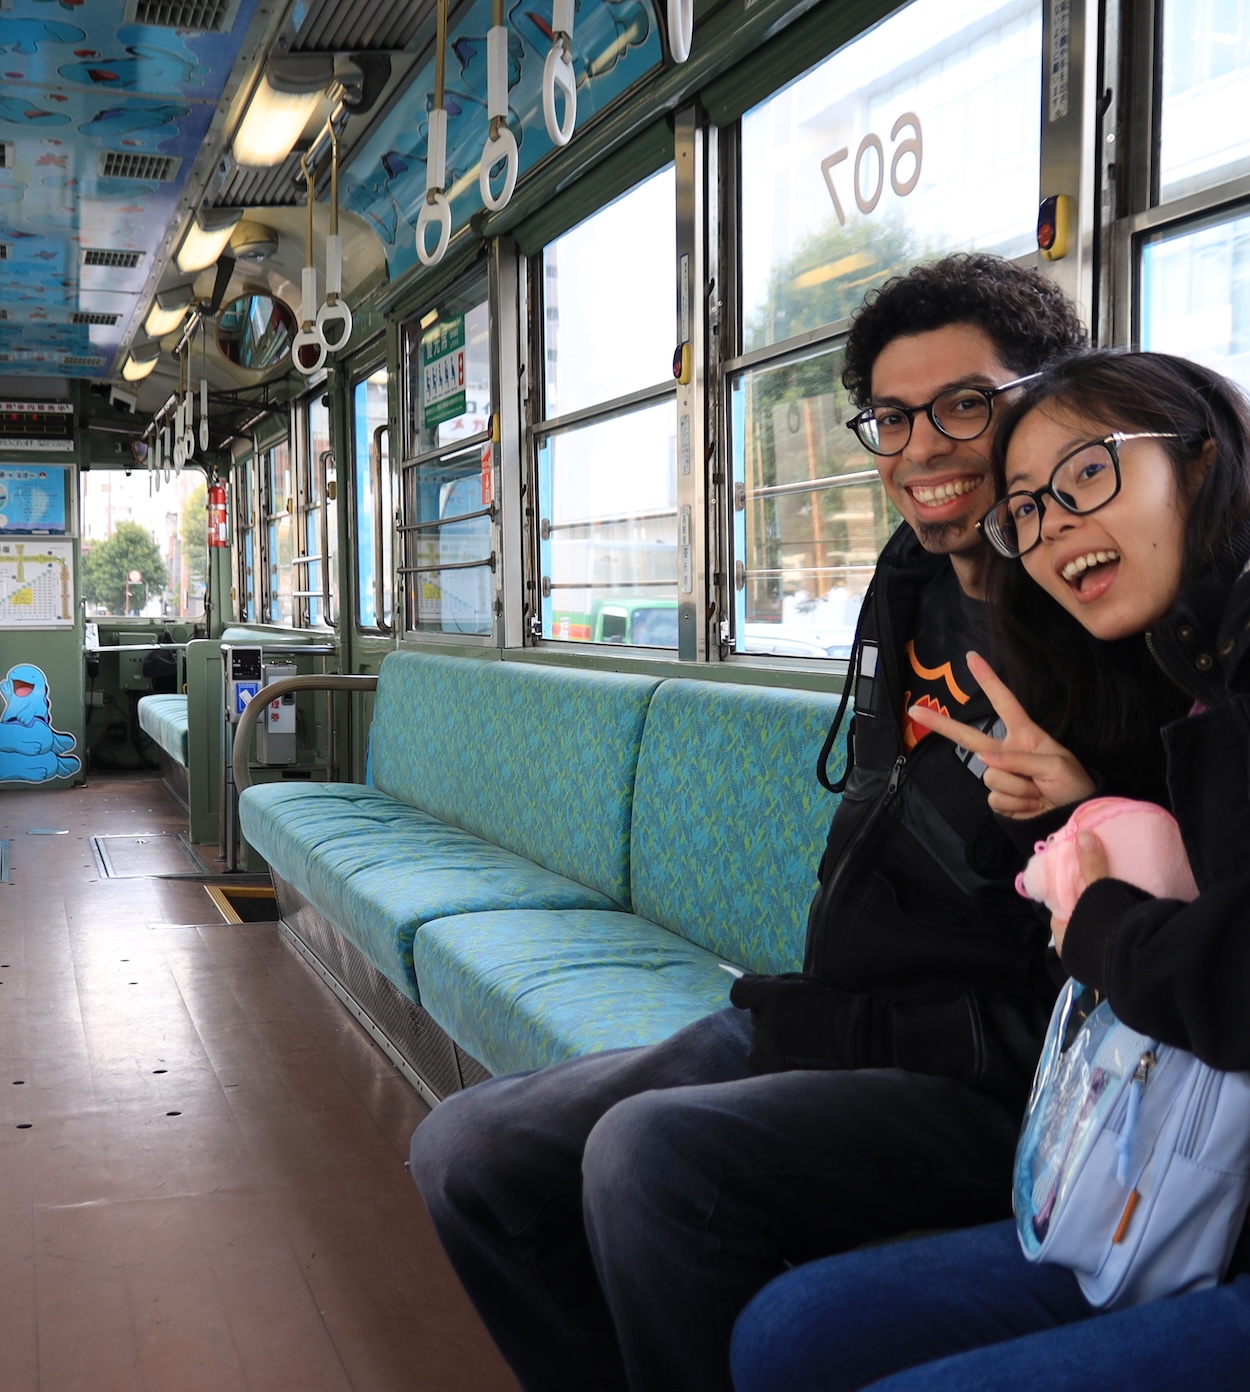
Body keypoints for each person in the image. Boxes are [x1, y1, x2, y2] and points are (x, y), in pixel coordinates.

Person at [729, 349, 1250, 1392]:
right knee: (790, 1333)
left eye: (1087, 475)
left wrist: (1112, 930)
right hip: (1201, 1191)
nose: (1053, 530)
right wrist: (1080, 806)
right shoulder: (1196, 675)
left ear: (1202, 456)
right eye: (1027, 512)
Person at [408, 255, 1088, 1392]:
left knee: (648, 1156)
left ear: (1053, 402)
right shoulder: (912, 582)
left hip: (993, 1075)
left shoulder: (1102, 620)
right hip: (837, 1015)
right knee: (467, 1152)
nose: (922, 447)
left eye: (966, 404)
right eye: (891, 417)